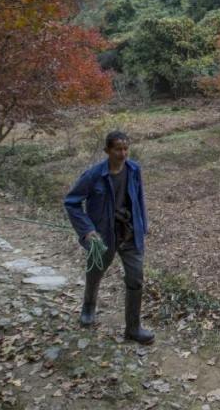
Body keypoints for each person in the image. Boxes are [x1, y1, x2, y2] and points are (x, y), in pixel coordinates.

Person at [63, 130, 154, 344]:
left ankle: (133, 328)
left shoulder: (134, 170)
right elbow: (72, 202)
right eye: (117, 149)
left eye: (125, 148)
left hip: (130, 233)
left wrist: (143, 226)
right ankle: (88, 307)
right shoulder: (93, 175)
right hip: (102, 236)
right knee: (95, 273)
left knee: (135, 278)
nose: (123, 153)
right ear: (107, 151)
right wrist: (87, 230)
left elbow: (139, 199)